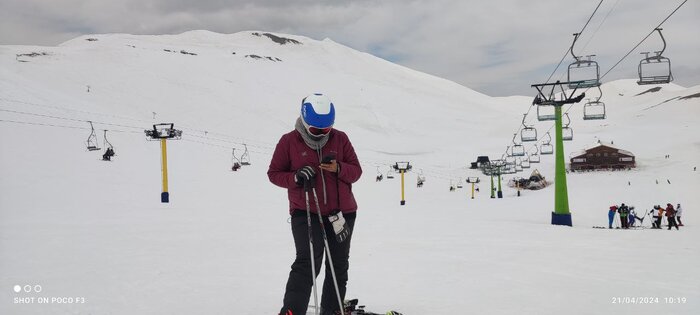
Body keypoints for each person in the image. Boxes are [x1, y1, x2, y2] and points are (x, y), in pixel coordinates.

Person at [268, 93, 362, 315]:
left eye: (326, 130)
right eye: (316, 130)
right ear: (304, 121)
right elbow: (274, 174)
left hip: (342, 213)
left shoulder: (341, 139)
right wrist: (295, 177)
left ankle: (332, 310)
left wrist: (339, 168)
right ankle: (292, 311)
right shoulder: (289, 141)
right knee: (308, 261)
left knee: (338, 264)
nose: (321, 134)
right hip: (306, 212)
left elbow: (356, 171)